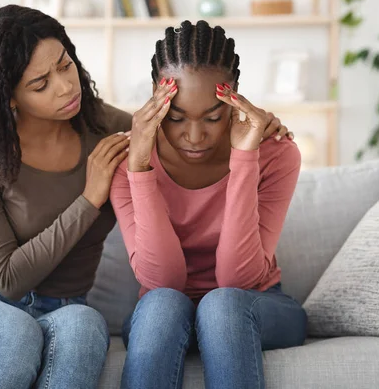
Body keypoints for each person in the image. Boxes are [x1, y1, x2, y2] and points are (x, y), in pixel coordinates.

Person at [0, 5, 294, 389]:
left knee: (86, 329)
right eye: (41, 84)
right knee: (15, 336)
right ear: (11, 96)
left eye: (65, 66)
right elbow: (6, 279)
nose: (66, 87)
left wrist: (263, 131)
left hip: (67, 306)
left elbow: (183, 126)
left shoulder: (111, 129)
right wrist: (88, 200)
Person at [110, 20, 307, 389]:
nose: (195, 136)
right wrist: (140, 167)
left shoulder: (276, 155)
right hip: (165, 314)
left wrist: (245, 158)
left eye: (213, 117)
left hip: (257, 305)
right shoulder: (128, 160)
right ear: (155, 98)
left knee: (221, 307)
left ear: (234, 100)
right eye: (176, 117)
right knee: (162, 306)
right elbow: (162, 281)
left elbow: (238, 279)